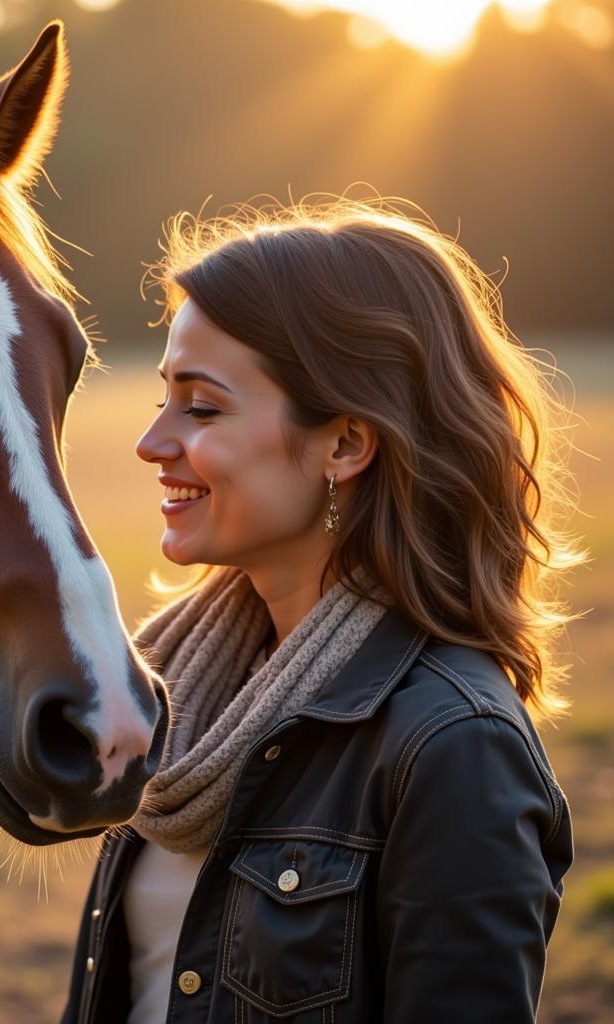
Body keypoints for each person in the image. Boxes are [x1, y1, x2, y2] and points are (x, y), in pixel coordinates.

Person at [61, 197, 581, 1024]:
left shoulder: (453, 748)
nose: (153, 442)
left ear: (344, 444)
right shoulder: (181, 692)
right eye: (165, 397)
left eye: (200, 406)